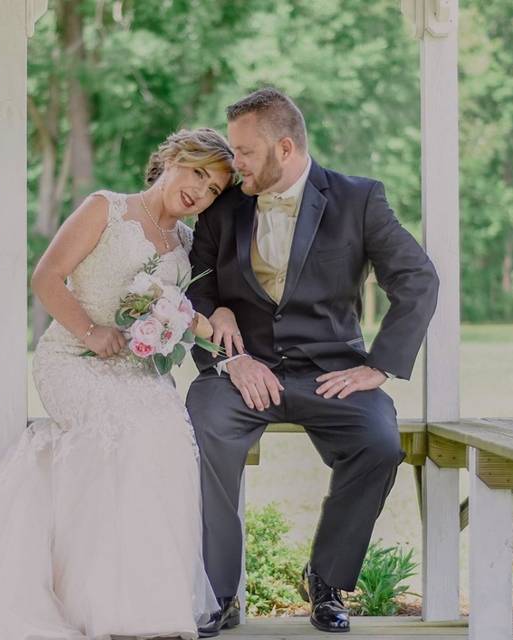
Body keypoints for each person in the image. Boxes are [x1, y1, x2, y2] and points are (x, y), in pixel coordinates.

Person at [0, 128, 235, 640]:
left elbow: (188, 313)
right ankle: (91, 605)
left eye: (213, 189)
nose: (200, 192)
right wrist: (91, 330)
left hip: (135, 368)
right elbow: (46, 276)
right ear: (171, 158)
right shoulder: (106, 208)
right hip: (73, 356)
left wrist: (173, 330)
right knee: (119, 431)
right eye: (198, 173)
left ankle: (148, 605)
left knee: (168, 433)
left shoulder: (189, 244)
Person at [186, 88, 439, 635]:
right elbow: (193, 286)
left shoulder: (359, 199)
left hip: (331, 373)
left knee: (379, 444)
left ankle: (327, 582)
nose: (235, 164)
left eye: (245, 152)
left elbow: (417, 279)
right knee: (202, 430)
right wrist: (222, 338)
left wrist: (380, 365)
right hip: (240, 372)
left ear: (284, 147)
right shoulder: (224, 205)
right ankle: (219, 592)